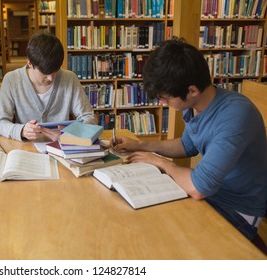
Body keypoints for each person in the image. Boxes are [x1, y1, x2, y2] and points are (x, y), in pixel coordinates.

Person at [112, 38, 267, 241]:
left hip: (237, 210)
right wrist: (140, 145)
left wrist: (160, 162)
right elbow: (187, 145)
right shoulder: (198, 105)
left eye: (166, 98)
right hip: (211, 196)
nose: (162, 102)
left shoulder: (235, 115)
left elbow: (199, 188)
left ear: (192, 90)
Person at [0, 31, 97, 141]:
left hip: (62, 146)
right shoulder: (12, 80)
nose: (51, 78)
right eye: (45, 72)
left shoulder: (69, 78)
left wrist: (71, 133)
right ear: (29, 63)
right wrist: (21, 130)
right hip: (27, 147)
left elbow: (89, 117)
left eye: (55, 71)